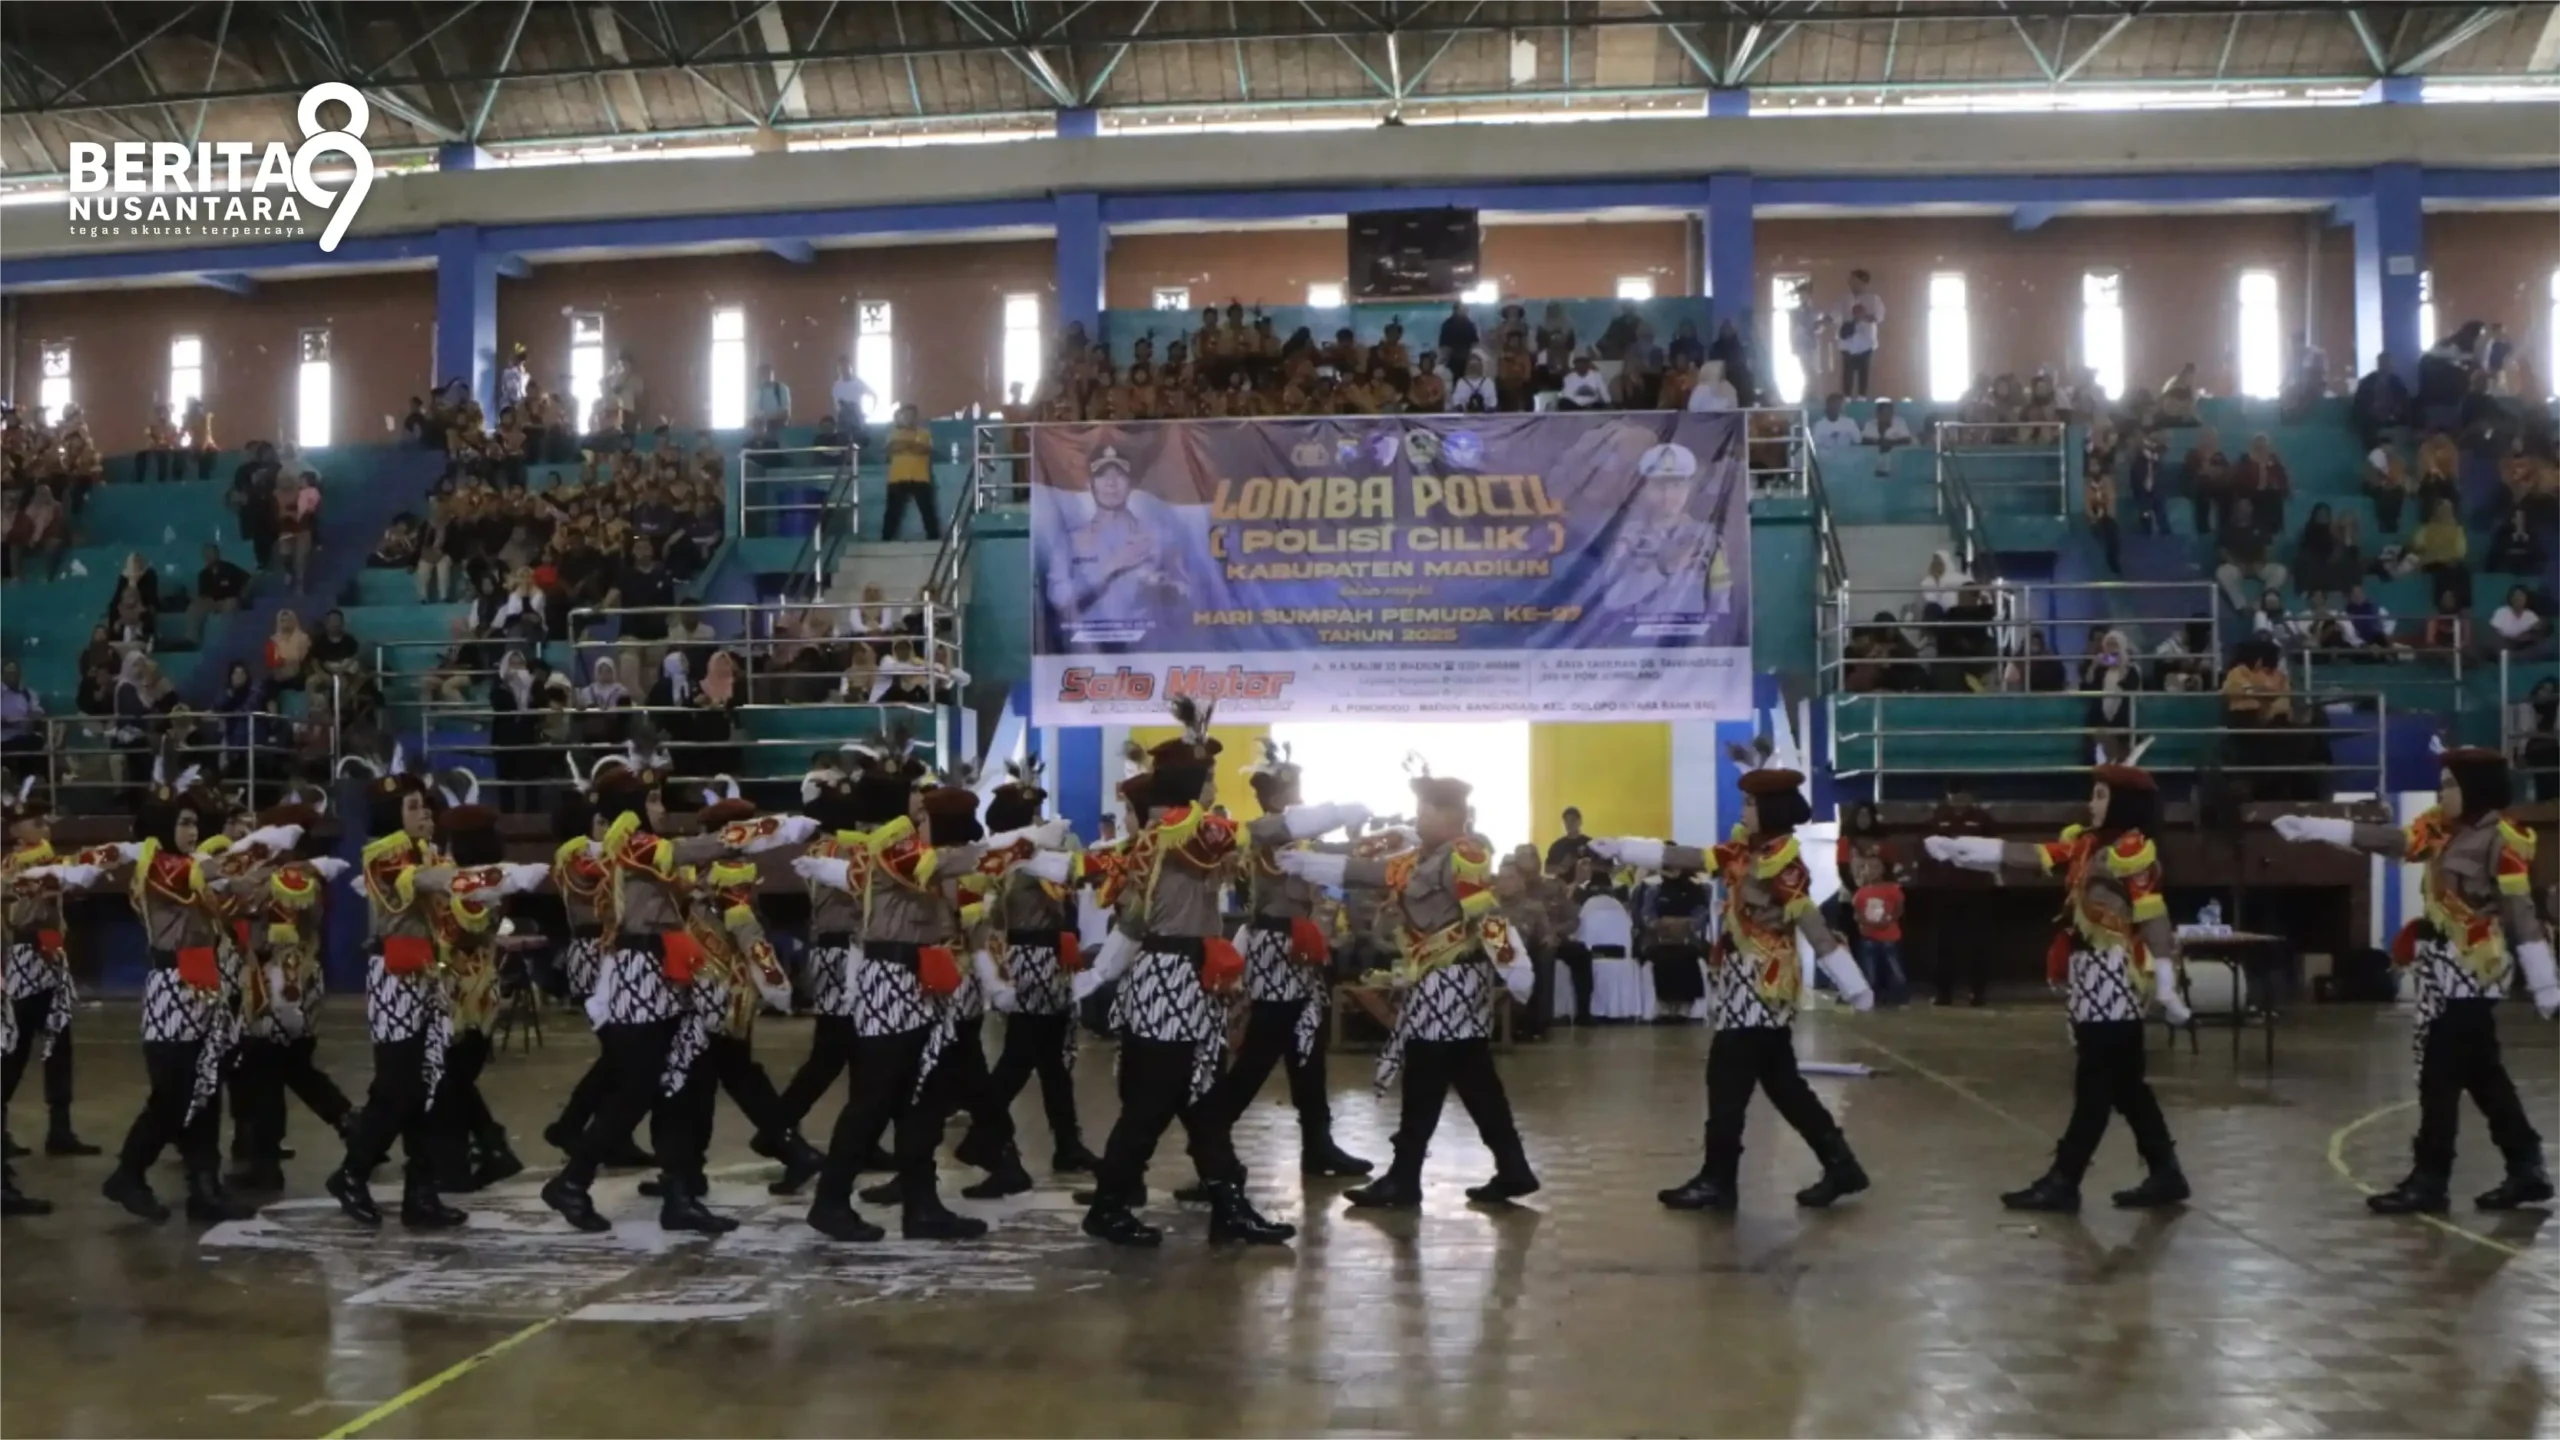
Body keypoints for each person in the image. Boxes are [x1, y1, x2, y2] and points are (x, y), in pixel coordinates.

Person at [2271, 749, 2556, 1213]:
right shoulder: (2439, 828)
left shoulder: (2504, 840)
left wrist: (2545, 981)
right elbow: (2393, 841)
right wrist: (2314, 827)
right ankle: (2526, 1168)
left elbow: (2519, 910)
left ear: (2475, 788)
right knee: (2484, 1076)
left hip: (2476, 971)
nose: (2442, 792)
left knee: (2439, 1076)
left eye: (2449, 784)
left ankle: (2431, 1178)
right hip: (2440, 969)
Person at [1590, 763, 1873, 1213]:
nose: (1743, 809)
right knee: (1783, 1084)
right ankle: (1840, 1166)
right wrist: (1626, 848)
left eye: (1749, 802)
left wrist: (1850, 979)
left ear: (1770, 807)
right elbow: (1692, 858)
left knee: (1727, 1079)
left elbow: (1810, 921)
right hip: (1744, 980)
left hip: (1763, 984)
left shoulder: (1784, 860)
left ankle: (1718, 1180)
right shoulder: (1745, 849)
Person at [1067, 699, 1294, 1246]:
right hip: (1170, 981)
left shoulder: (1173, 835)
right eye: (1210, 777)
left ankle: (1227, 1204)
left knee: (1199, 1102)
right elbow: (1246, 835)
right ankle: (1111, 1206)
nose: (1216, 787)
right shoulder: (1182, 832)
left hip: (1182, 983)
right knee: (1154, 1104)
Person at [539, 764, 798, 1236]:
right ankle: (572, 1181)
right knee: (636, 1088)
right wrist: (767, 831)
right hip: (639, 975)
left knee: (683, 1080)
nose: (661, 807)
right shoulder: (632, 842)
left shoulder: (645, 849)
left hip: (668, 972)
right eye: (653, 800)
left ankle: (678, 1194)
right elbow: (687, 849)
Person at [1926, 759, 2195, 1212]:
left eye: (2101, 796)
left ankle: (2064, 1179)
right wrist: (1961, 850)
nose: (2091, 804)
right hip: (2089, 975)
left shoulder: (2132, 850)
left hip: (2116, 977)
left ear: (2124, 802)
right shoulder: (2088, 845)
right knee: (2126, 1085)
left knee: (2094, 1085)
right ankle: (2166, 1172)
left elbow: (2153, 915)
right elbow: (2033, 856)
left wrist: (2167, 983)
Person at [1277, 764, 1538, 1211]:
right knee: (1475, 1081)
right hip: (1438, 983)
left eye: (1425, 810)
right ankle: (1511, 1168)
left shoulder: (1465, 854)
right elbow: (1373, 872)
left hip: (1451, 983)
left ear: (1450, 814)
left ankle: (1405, 1178)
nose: (1418, 818)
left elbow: (1486, 915)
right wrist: (1313, 864)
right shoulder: (1424, 857)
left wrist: (1515, 967)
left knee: (1425, 1077)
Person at [791, 742, 995, 1243]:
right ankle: (831, 1201)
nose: (920, 808)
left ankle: (921, 1205)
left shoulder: (888, 849)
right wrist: (1010, 847)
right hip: (892, 983)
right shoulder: (892, 847)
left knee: (917, 1100)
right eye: (914, 801)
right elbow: (938, 865)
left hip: (913, 981)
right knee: (874, 1100)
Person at [1191, 741, 1375, 1186]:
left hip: (1299, 950)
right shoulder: (1266, 830)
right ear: (1274, 796)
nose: (1299, 796)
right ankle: (1208, 1141)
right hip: (1276, 949)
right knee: (1260, 1052)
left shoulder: (1291, 835)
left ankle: (1319, 1144)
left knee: (1307, 1049)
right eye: (1293, 788)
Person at [953, 762, 1096, 1181]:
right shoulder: (1014, 859)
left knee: (1051, 1062)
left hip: (1049, 957)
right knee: (1020, 1058)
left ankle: (1067, 1144)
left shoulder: (1025, 854)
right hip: (1029, 956)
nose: (1039, 823)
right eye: (1032, 817)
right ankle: (984, 1136)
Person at [221, 788, 354, 1192]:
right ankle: (353, 1124)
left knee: (262, 1071)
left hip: (278, 985)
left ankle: (264, 1163)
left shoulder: (289, 877)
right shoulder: (310, 872)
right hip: (302, 980)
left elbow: (244, 912)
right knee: (293, 1069)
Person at [1, 785, 105, 1164]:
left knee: (59, 1045)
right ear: (16, 831)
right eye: (35, 822)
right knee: (14, 1048)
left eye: (46, 821)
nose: (44, 827)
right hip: (25, 956)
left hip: (51, 955)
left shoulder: (47, 862)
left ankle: (60, 1128)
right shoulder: (12, 867)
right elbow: (16, 916)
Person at [881, 404, 939, 542]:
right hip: (897, 477)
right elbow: (890, 450)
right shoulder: (893, 433)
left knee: (927, 510)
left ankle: (934, 538)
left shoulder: (925, 433)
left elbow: (924, 449)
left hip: (920, 476)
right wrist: (911, 445)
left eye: (911, 415)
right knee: (892, 511)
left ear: (916, 417)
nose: (908, 418)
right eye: (905, 414)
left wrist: (903, 445)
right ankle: (886, 539)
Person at [1838, 269, 1882, 397]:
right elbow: (1835, 315)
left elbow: (1877, 317)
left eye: (1853, 280)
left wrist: (1861, 316)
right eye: (1850, 281)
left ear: (1862, 282)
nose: (1851, 283)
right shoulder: (1845, 299)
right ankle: (1846, 400)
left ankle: (1862, 399)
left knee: (1863, 373)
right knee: (1847, 373)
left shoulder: (1873, 299)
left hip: (1866, 343)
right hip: (1847, 342)